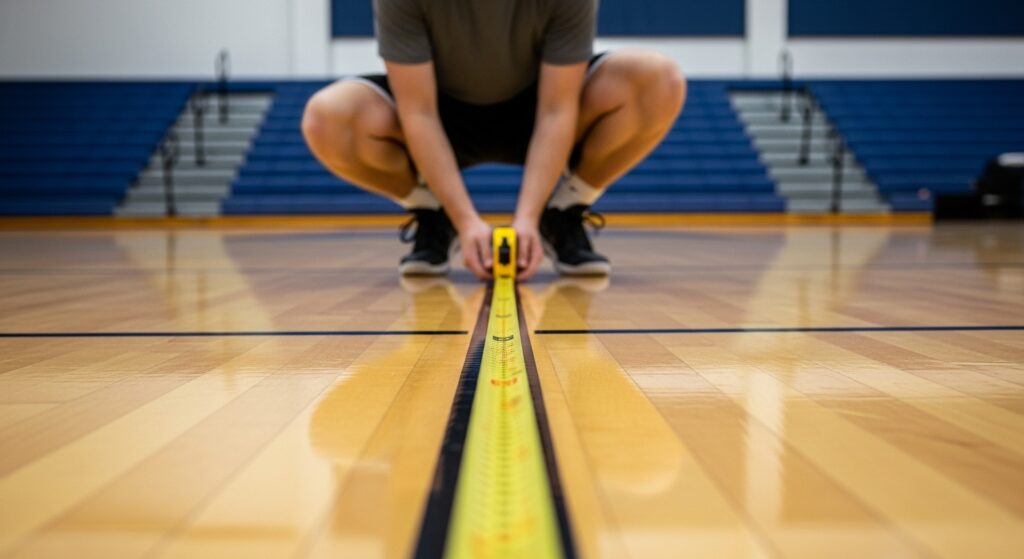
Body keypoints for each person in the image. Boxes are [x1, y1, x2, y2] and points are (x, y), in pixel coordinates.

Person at [302, 0, 685, 280]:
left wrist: (528, 219)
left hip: (538, 108)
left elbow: (556, 110)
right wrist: (466, 220)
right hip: (439, 111)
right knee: (326, 119)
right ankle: (435, 215)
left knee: (658, 81)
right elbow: (418, 112)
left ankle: (564, 212)